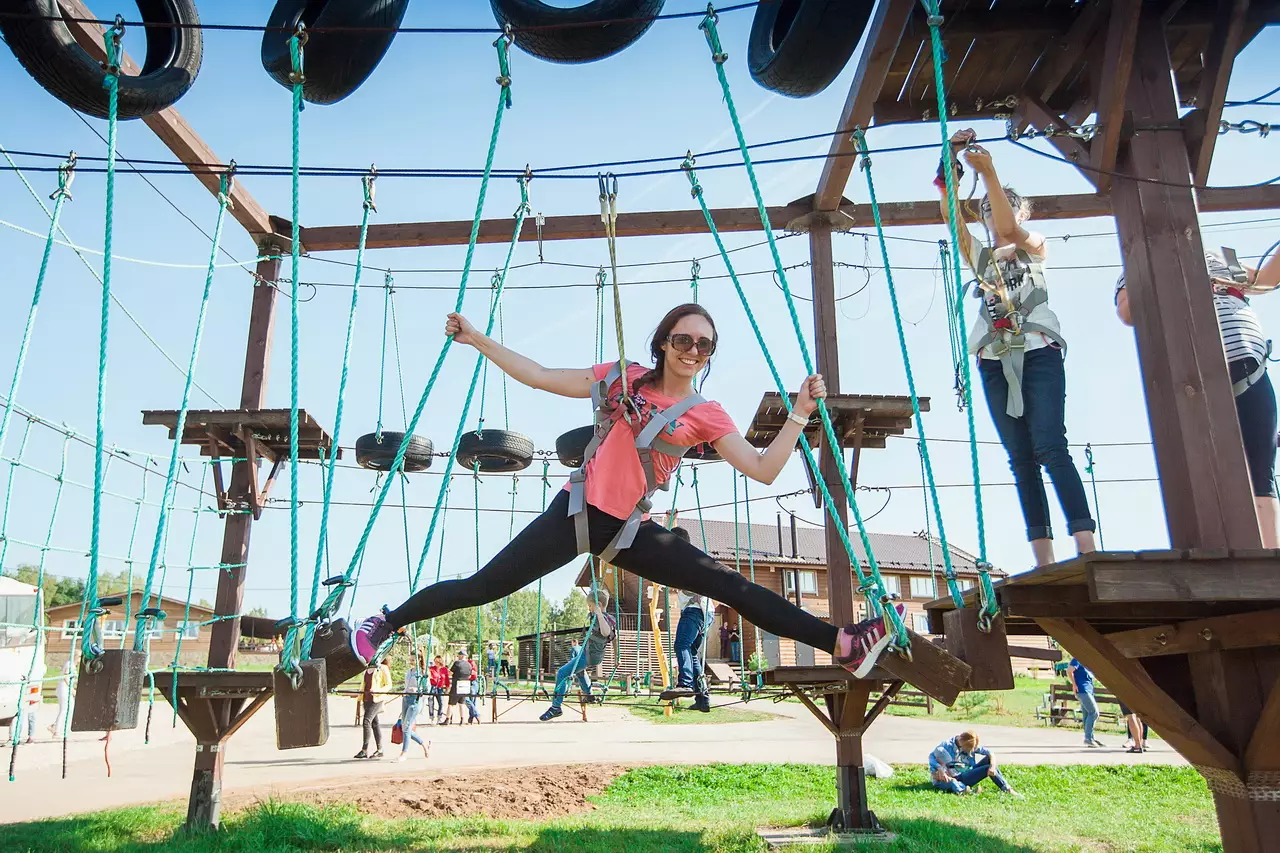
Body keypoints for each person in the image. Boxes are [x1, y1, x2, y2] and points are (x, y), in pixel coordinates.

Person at [348, 304, 905, 681]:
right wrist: (476, 340)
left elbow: (762, 470)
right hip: (575, 513)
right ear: (664, 343)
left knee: (730, 585)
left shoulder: (706, 414)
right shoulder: (622, 378)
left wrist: (800, 416)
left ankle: (844, 645)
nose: (693, 350)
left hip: (630, 529)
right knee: (483, 586)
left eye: (704, 345)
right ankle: (386, 622)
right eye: (683, 339)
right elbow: (540, 374)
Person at [937, 130, 1096, 568]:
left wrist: (989, 175)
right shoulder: (980, 256)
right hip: (994, 358)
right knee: (1021, 458)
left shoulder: (1034, 246)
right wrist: (948, 159)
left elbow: (1008, 228)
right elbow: (952, 216)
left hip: (1038, 352)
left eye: (1000, 202)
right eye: (985, 205)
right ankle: (1043, 556)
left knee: (1049, 446)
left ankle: (1086, 545)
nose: (990, 211)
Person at [1116, 246, 1280, 546]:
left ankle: (1271, 555)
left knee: (1261, 471)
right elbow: (1127, 312)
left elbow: (1267, 281)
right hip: (1196, 381)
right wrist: (1172, 279)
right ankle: (1224, 552)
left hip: (1251, 372)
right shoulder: (1137, 265)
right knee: (1210, 477)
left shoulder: (1223, 258)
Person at [541, 587, 616, 721]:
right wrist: (617, 656)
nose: (589, 609)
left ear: (598, 605)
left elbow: (605, 632)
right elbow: (614, 638)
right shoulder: (607, 618)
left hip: (589, 656)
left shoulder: (603, 619)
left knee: (562, 673)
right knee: (579, 667)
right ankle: (589, 694)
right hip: (590, 654)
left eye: (591, 606)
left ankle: (556, 707)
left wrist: (598, 613)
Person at [660, 527, 713, 712]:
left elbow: (693, 585)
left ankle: (686, 683)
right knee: (690, 653)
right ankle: (702, 698)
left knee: (681, 645)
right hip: (705, 612)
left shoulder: (686, 560)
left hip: (694, 610)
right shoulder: (690, 558)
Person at [929, 731, 1021, 796]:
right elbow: (931, 756)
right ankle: (1007, 790)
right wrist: (939, 768)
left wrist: (992, 767)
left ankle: (1006, 787)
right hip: (958, 776)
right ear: (962, 742)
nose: (971, 752)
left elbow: (990, 753)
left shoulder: (970, 744)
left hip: (967, 770)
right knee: (986, 768)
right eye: (969, 750)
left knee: (989, 761)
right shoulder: (946, 746)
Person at [396, 651, 430, 762]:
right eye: (410, 659)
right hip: (405, 699)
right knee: (404, 727)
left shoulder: (422, 673)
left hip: (415, 700)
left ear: (419, 660)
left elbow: (427, 689)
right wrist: (403, 690)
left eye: (413, 660)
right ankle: (423, 743)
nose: (411, 662)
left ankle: (404, 753)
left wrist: (417, 690)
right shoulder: (409, 672)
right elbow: (406, 685)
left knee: (407, 727)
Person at [355, 660, 391, 759]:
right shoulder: (366, 667)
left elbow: (389, 685)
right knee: (375, 724)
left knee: (366, 721)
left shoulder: (382, 668)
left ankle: (364, 750)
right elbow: (364, 684)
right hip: (366, 699)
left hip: (377, 699)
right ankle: (380, 750)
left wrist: (377, 691)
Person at [1068, 657, 1103, 748]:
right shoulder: (1077, 659)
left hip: (1088, 690)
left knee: (1087, 714)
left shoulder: (1087, 662)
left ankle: (1091, 737)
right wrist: (1074, 685)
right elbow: (1069, 671)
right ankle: (1088, 738)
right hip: (1083, 690)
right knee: (1094, 713)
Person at [447, 650, 472, 725]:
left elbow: (450, 673)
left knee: (451, 704)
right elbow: (470, 675)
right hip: (466, 685)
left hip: (457, 684)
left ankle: (447, 719)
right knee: (462, 704)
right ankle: (462, 719)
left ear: (460, 656)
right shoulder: (469, 665)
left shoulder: (457, 663)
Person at [47, 659, 71, 738]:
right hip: (64, 689)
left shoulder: (72, 665)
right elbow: (65, 676)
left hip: (66, 689)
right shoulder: (69, 664)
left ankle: (54, 726)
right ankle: (56, 731)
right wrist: (71, 688)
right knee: (64, 710)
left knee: (70, 708)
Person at [427, 654, 449, 724]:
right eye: (435, 661)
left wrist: (447, 687)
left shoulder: (444, 669)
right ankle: (431, 717)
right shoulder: (431, 669)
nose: (436, 663)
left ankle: (439, 717)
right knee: (431, 702)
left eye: (437, 661)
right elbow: (429, 676)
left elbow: (446, 679)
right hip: (432, 687)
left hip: (440, 687)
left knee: (441, 703)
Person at [465, 656, 481, 724]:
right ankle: (476, 715)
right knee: (468, 700)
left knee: (471, 701)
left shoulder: (471, 663)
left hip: (472, 682)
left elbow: (474, 673)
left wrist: (467, 675)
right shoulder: (459, 663)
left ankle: (472, 717)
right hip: (466, 682)